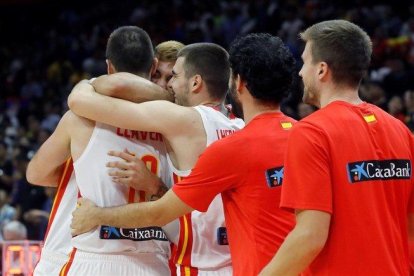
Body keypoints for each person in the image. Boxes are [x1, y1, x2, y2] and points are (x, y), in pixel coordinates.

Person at [70, 33, 297, 276]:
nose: (169, 85)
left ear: (196, 83)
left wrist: (85, 84)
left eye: (175, 76)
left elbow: (82, 101)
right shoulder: (241, 127)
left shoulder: (186, 119)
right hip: (239, 263)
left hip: (200, 267)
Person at [260, 20, 414, 275]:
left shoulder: (312, 131)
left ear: (322, 70)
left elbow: (310, 236)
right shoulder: (400, 131)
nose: (300, 72)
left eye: (305, 62)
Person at [27, 26, 174, 276]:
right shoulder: (177, 121)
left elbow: (36, 174)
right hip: (153, 255)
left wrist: (89, 168)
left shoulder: (82, 115)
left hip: (91, 252)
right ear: (153, 66)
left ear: (109, 67)